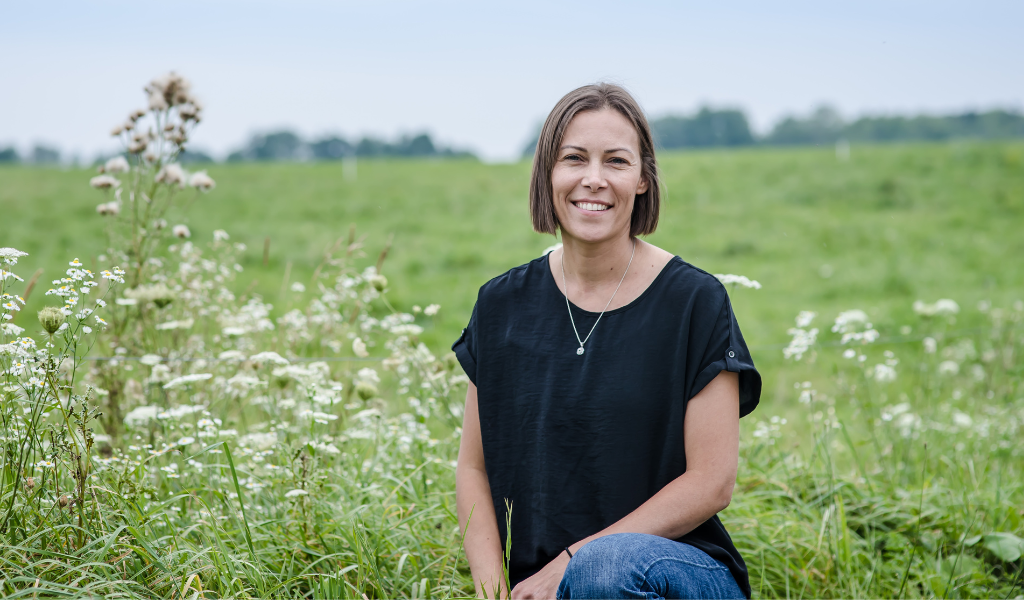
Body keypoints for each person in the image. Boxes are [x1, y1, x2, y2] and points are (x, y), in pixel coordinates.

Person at [453, 83, 761, 600]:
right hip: (537, 585)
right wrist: (494, 592)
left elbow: (712, 482)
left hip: (681, 573)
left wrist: (574, 562)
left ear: (642, 179)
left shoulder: (695, 302)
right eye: (574, 159)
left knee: (603, 568)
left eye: (616, 161)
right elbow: (473, 467)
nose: (593, 180)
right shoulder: (500, 305)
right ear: (548, 174)